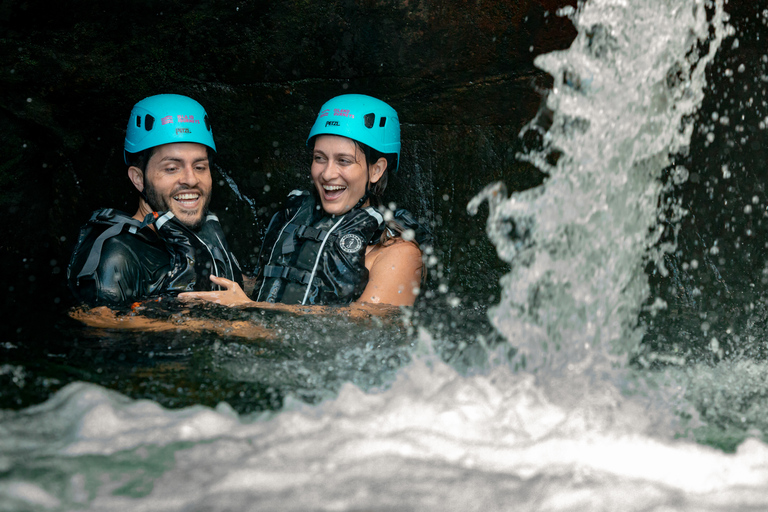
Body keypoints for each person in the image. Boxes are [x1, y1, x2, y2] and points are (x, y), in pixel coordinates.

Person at [181, 93, 431, 309]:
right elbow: (269, 286)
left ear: (376, 170)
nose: (327, 173)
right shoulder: (295, 223)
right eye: (320, 158)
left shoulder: (399, 253)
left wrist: (250, 310)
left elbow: (364, 325)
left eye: (344, 161)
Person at [67, 94, 243, 306]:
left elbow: (239, 295)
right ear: (139, 179)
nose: (191, 179)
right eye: (171, 168)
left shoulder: (204, 240)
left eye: (200, 167)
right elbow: (102, 328)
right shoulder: (117, 255)